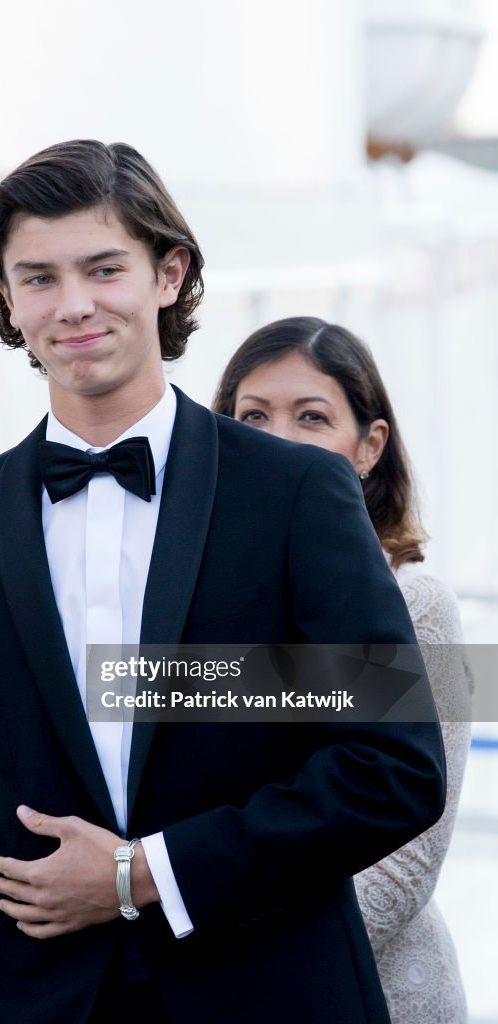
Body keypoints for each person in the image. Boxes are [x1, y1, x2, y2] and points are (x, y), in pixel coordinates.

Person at [0, 144, 445, 1024]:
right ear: (6, 298)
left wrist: (143, 874)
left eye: (103, 268)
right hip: (28, 999)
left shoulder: (297, 494)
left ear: (169, 272)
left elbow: (392, 766)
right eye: (37, 277)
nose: (73, 304)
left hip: (269, 993)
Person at [213, 315, 472, 1024]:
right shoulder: (198, 611)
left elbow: (406, 861)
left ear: (368, 446)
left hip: (368, 991)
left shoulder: (416, 607)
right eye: (253, 417)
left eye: (312, 417)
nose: (278, 442)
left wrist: (239, 962)